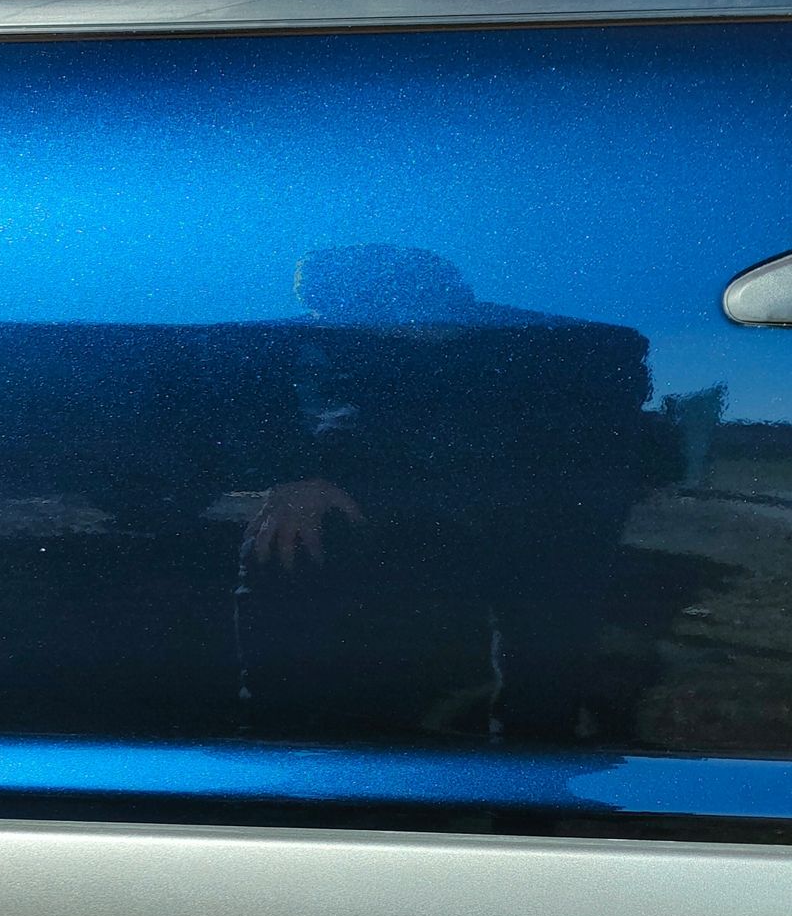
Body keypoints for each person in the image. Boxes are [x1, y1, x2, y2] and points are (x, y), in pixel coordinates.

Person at [237, 245, 677, 744]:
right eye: (323, 313)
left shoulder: (579, 348)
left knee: (547, 647)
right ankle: (283, 750)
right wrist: (297, 474)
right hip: (418, 501)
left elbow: (613, 440)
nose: (327, 324)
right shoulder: (333, 344)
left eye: (338, 310)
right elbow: (265, 378)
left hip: (544, 509)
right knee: (285, 537)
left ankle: (534, 762)